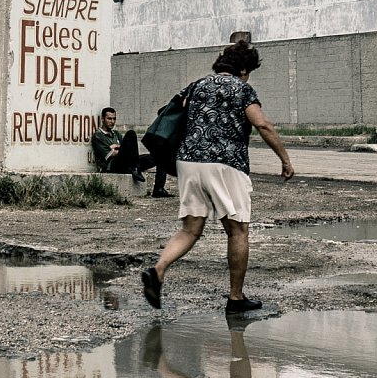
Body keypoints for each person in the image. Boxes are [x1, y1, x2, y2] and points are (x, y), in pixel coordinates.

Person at [141, 40, 294, 312]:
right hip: (225, 164)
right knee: (237, 231)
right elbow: (262, 124)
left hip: (188, 162)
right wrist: (285, 159)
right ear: (244, 69)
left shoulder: (197, 85)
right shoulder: (241, 89)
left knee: (190, 228)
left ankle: (159, 269)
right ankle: (236, 298)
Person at [91, 107, 169, 196]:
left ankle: (158, 189)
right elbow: (110, 154)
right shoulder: (98, 136)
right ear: (102, 119)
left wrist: (116, 147)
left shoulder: (116, 134)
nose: (112, 121)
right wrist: (119, 150)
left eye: (114, 119)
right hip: (112, 166)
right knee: (131, 133)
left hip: (128, 162)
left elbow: (126, 150)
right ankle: (135, 168)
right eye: (109, 119)